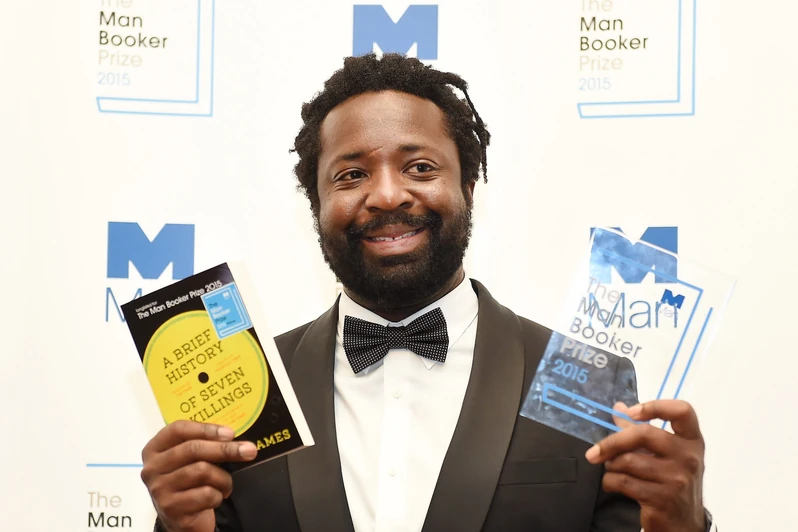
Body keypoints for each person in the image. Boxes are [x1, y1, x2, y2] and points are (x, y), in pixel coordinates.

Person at [140, 53, 715, 532]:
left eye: (419, 167)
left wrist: (682, 524)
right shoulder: (249, 391)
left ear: (468, 186)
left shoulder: (586, 379)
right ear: (316, 205)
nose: (388, 195)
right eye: (351, 175)